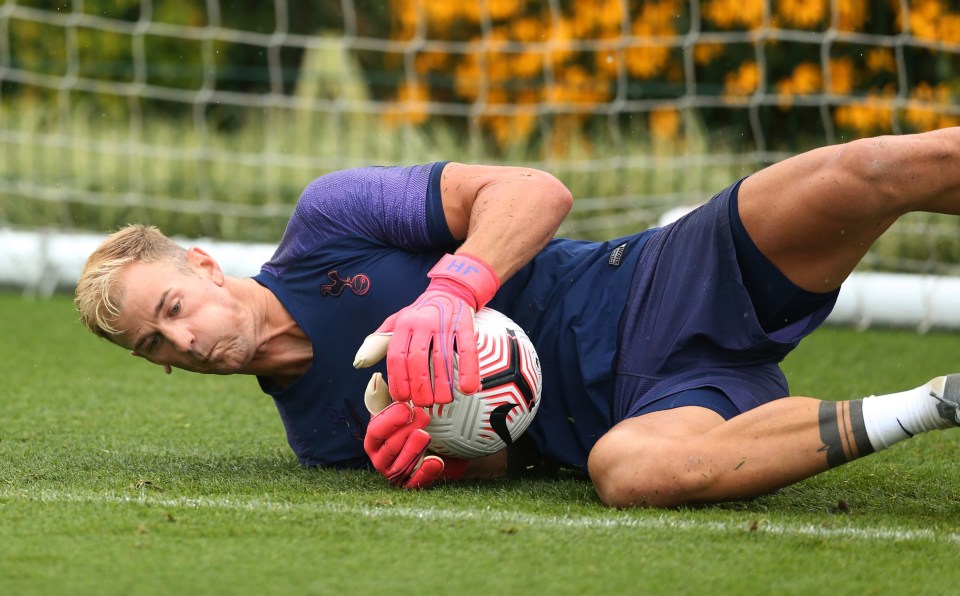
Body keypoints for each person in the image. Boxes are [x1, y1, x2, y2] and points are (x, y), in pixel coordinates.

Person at [74, 127, 960, 508]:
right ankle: (937, 402)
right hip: (655, 408)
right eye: (159, 343)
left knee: (864, 172)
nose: (185, 341)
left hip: (661, 279)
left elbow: (536, 191)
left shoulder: (331, 220)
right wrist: (446, 460)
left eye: (173, 307)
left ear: (200, 264)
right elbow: (501, 453)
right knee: (629, 475)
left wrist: (452, 291)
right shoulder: (321, 437)